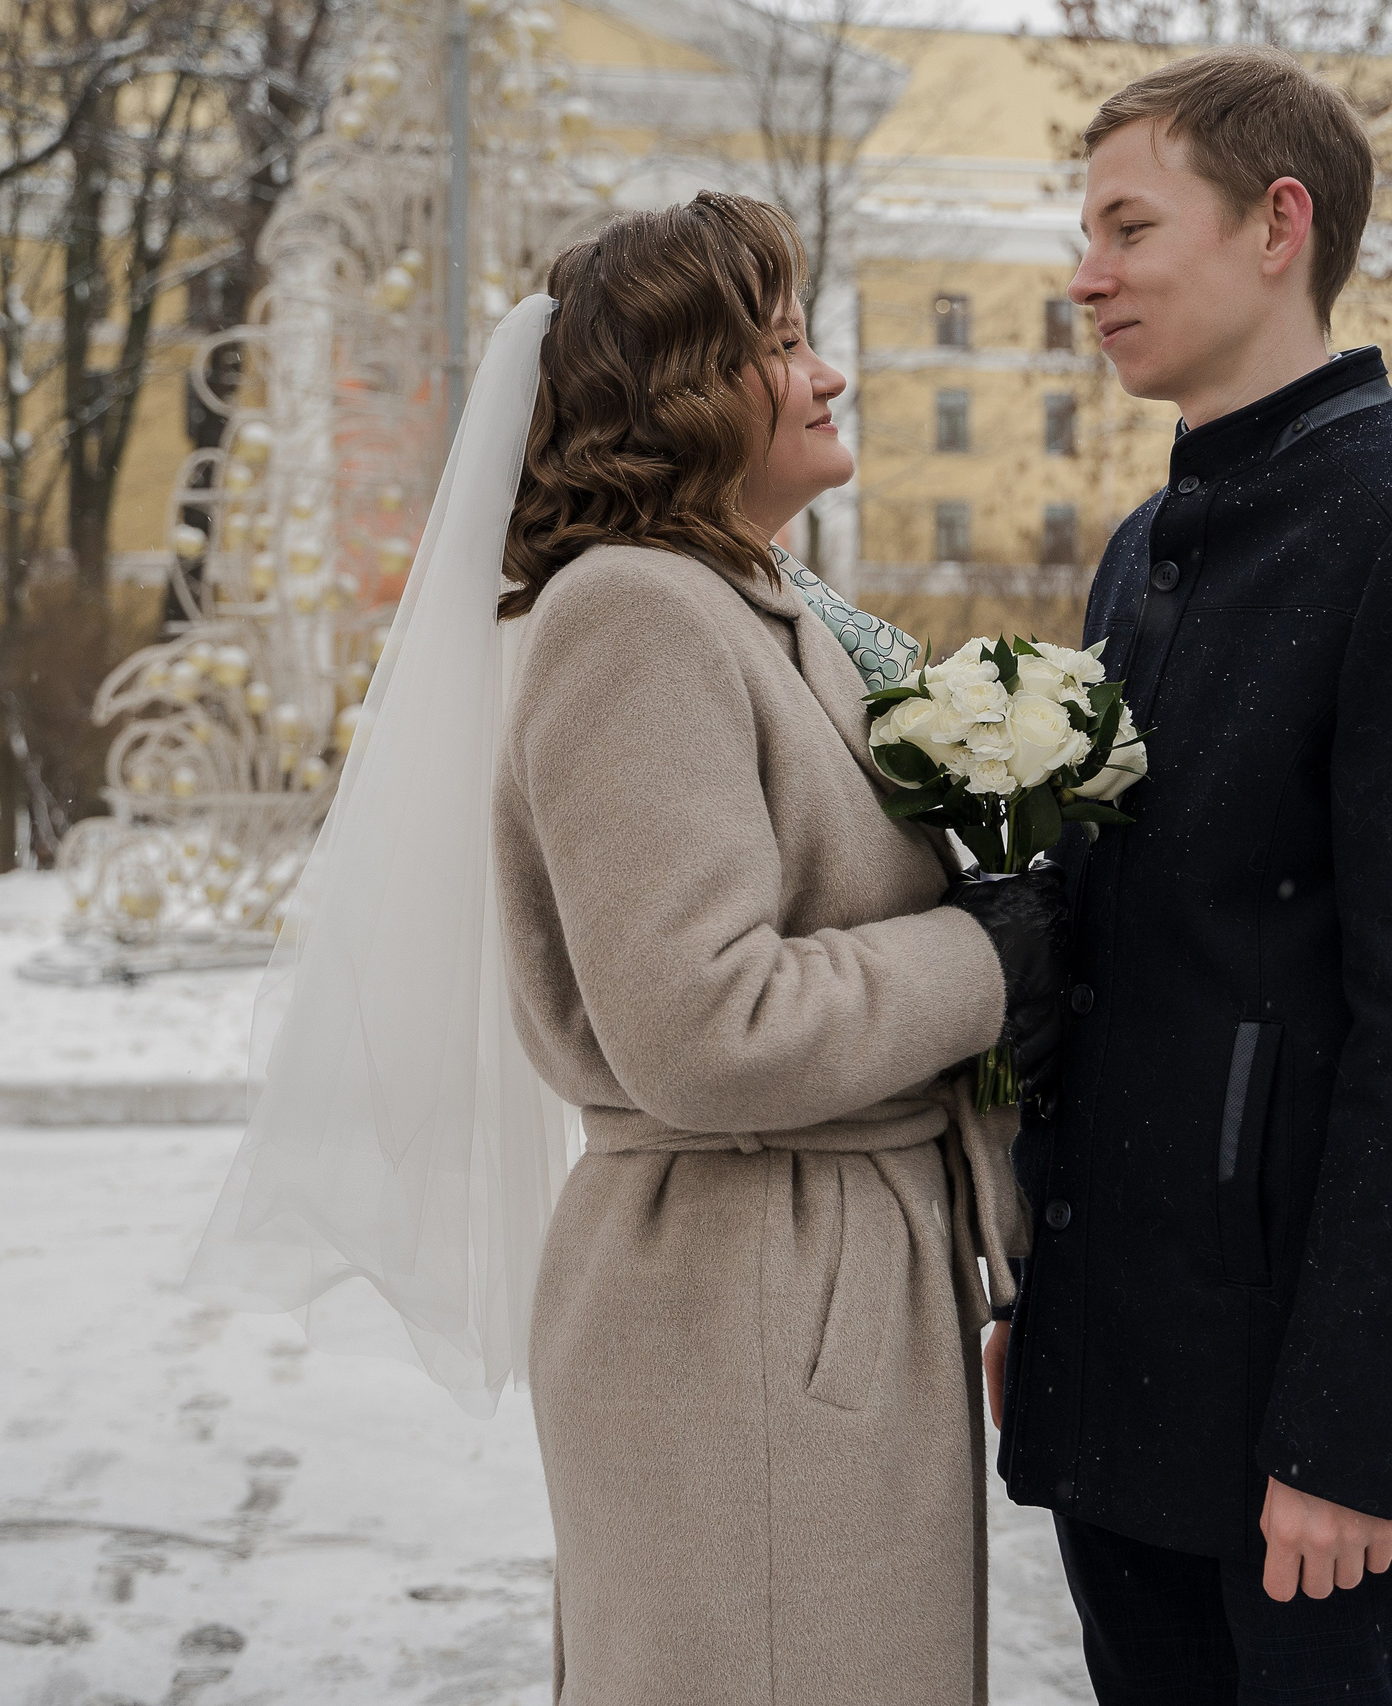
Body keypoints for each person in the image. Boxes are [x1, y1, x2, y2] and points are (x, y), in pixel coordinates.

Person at [189, 190, 1067, 1705]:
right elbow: (705, 1023)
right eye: (784, 344)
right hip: (745, 1301)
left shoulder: (752, 604)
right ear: (686, 392)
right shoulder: (634, 620)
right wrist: (989, 959)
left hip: (813, 1288)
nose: (828, 372)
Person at [984, 49, 1392, 1705]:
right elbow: (1122, 961)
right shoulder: (1140, 545)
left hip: (1300, 1457)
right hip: (1122, 1387)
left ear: (1275, 225)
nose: (1085, 273)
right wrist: (1049, 1293)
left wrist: (1355, 1436)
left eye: (1126, 225)